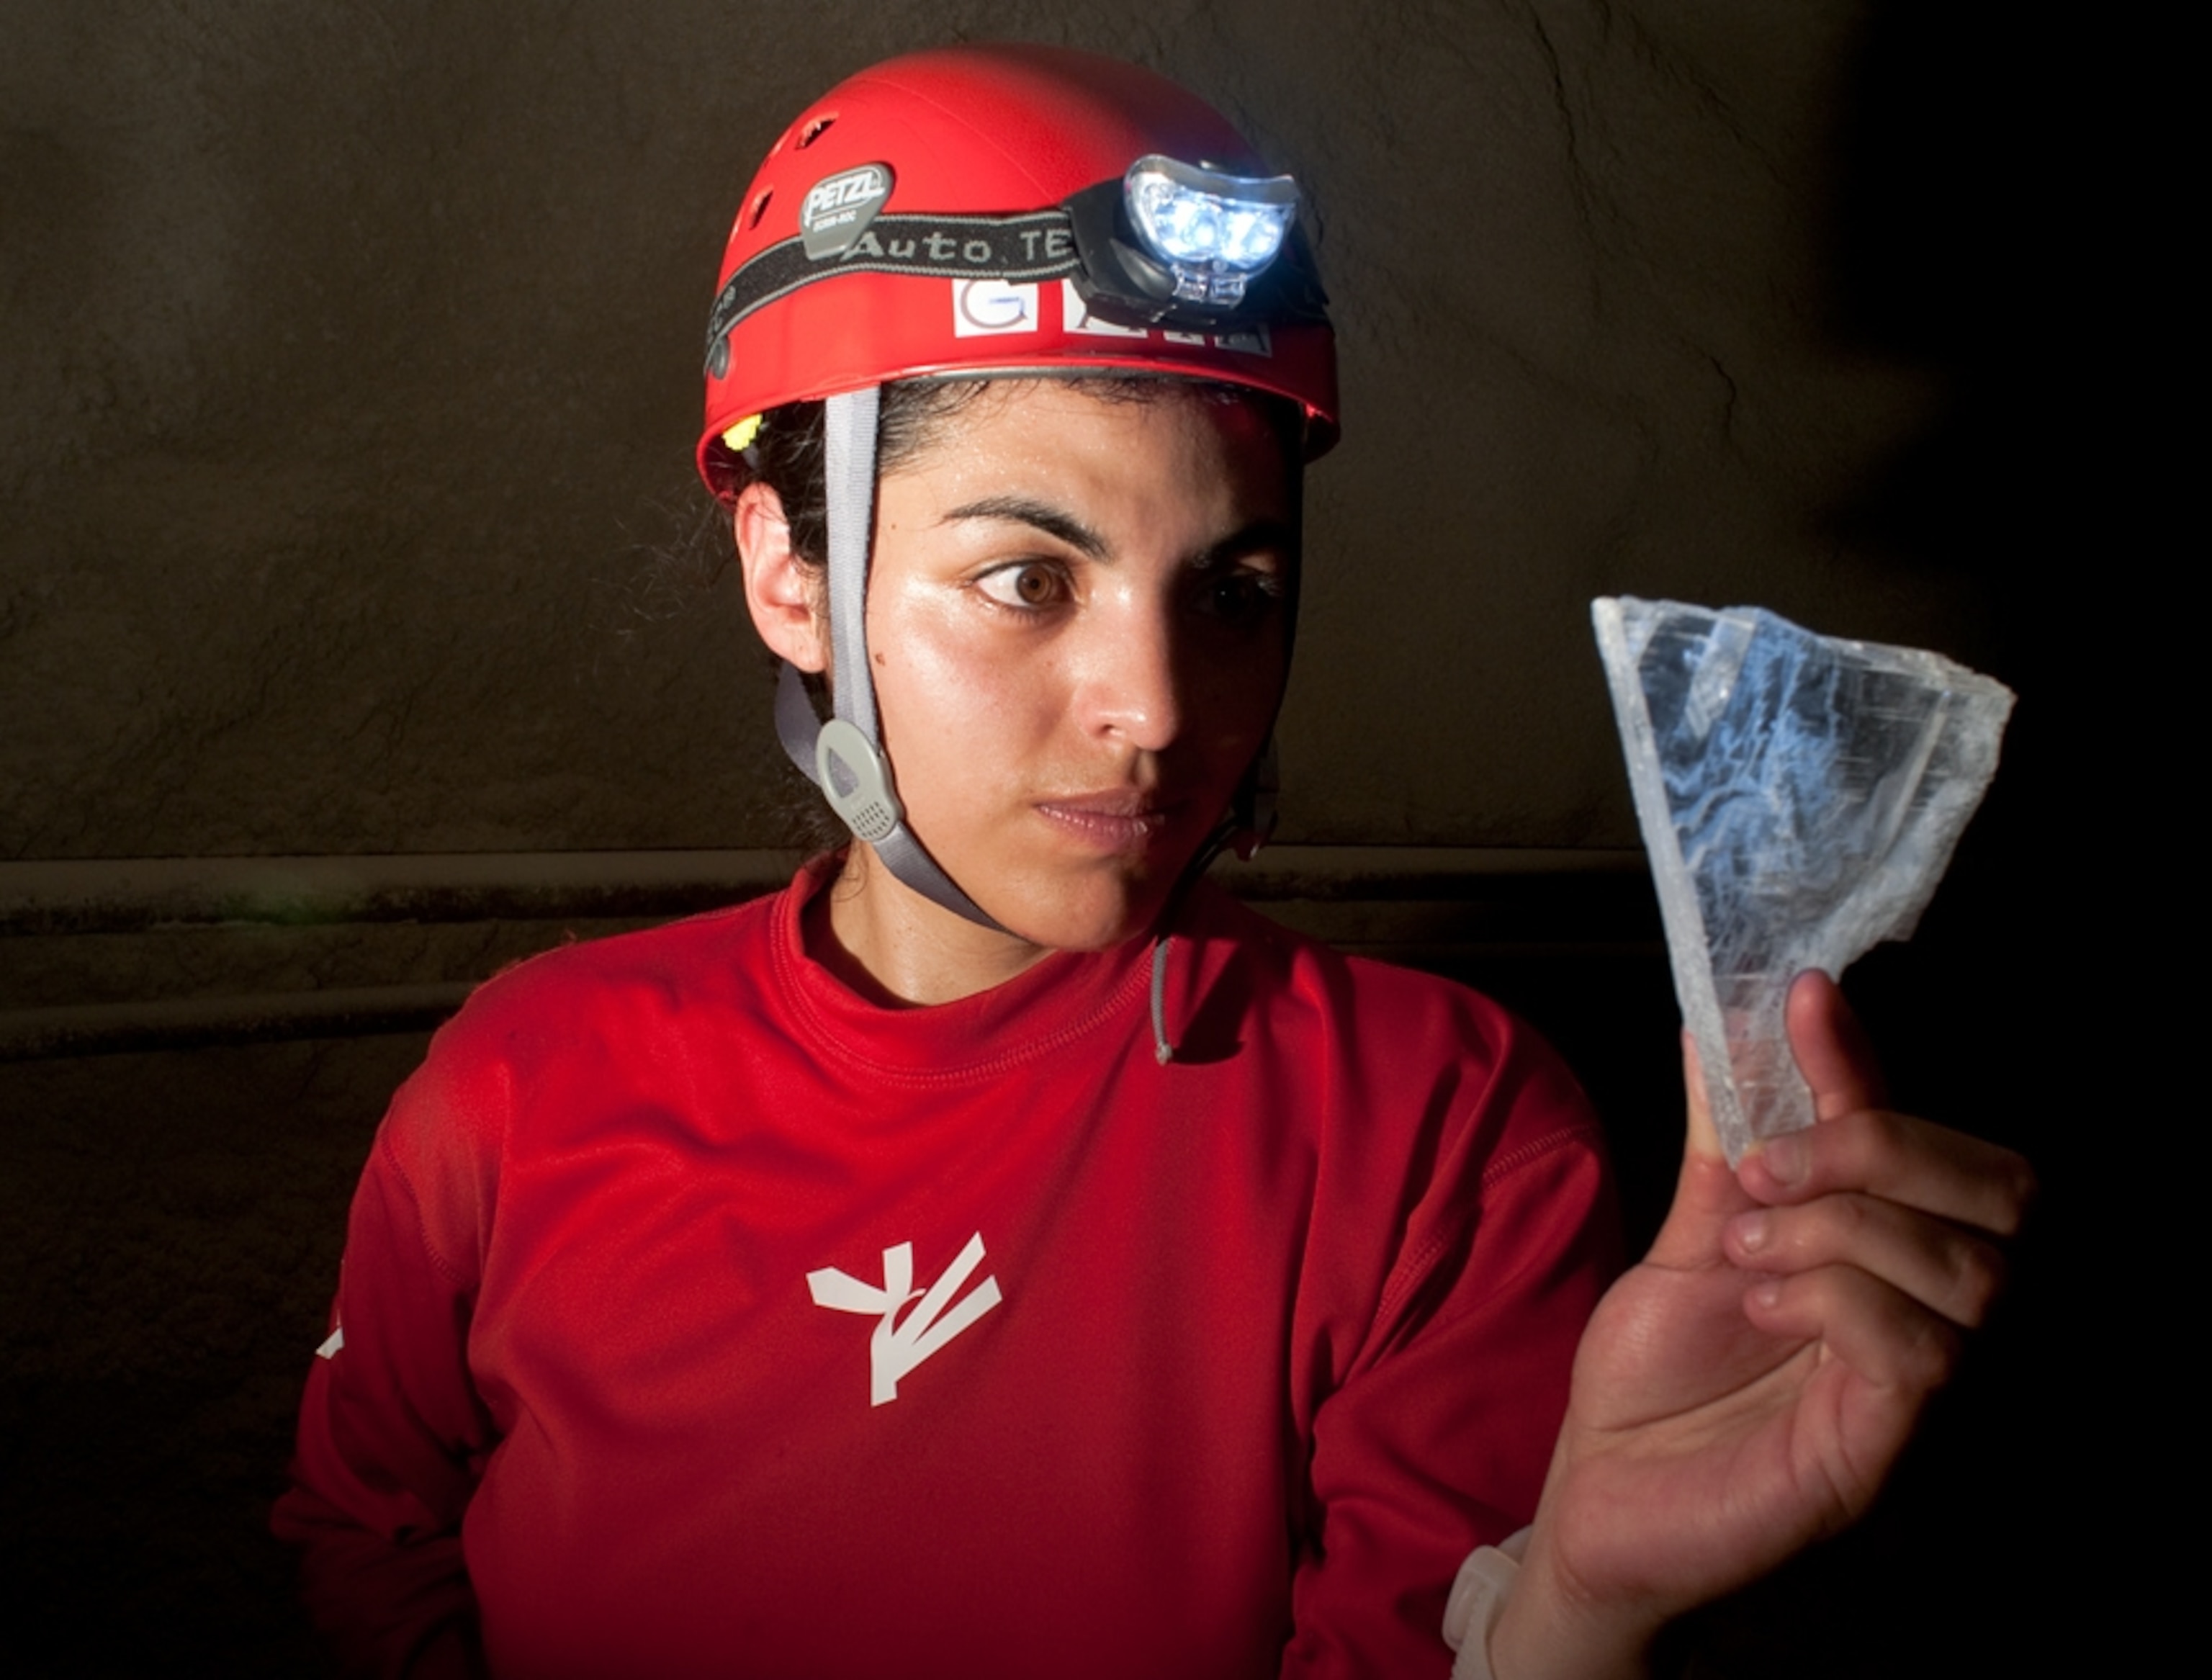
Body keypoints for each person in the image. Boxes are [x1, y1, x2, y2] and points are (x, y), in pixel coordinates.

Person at [273, 44, 2031, 1679]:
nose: (1160, 707)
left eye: (1236, 591)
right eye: (1030, 577)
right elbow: (366, 1541)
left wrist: (1574, 1609)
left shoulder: (1439, 1134)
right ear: (788, 574)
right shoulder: (518, 1088)